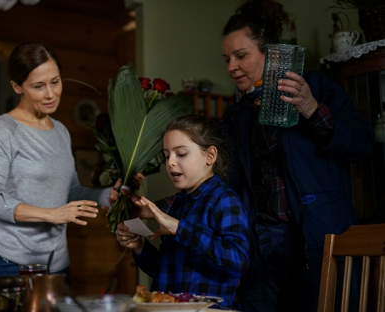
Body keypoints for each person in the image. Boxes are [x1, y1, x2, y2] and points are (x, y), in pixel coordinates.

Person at [218, 0, 375, 311]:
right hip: (262, 249)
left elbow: (363, 143)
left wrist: (311, 108)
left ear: (270, 52)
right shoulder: (236, 116)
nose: (231, 67)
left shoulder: (315, 86)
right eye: (226, 59)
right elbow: (227, 183)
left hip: (318, 241)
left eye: (241, 56)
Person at [0, 41, 120, 282]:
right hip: (8, 262)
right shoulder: (4, 130)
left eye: (55, 82)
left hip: (56, 263)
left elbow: (71, 191)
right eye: (38, 86)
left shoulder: (61, 131)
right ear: (17, 87)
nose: (51, 93)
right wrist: (51, 214)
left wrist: (111, 194)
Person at [115, 114, 250, 309]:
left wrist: (180, 228)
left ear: (210, 156)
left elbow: (238, 261)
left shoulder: (224, 200)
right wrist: (139, 245)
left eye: (181, 153)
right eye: (167, 155)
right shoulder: (180, 203)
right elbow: (166, 271)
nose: (170, 162)